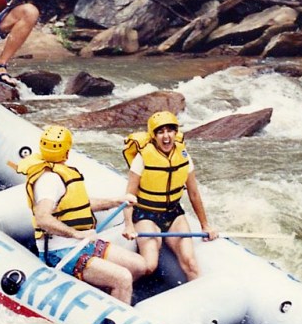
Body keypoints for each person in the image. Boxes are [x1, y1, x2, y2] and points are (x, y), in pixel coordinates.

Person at [17, 125, 146, 304]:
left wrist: (117, 201)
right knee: (123, 278)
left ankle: (103, 295)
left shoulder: (59, 173)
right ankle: (113, 308)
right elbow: (42, 218)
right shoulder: (49, 180)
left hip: (83, 243)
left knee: (139, 265)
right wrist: (76, 234)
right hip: (61, 252)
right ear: (67, 152)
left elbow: (81, 205)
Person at [121, 111, 219, 282]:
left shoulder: (183, 155)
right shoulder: (142, 157)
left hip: (173, 213)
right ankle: (122, 281)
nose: (166, 136)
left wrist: (205, 225)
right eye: (160, 132)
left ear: (175, 133)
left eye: (170, 131)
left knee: (191, 264)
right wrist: (129, 225)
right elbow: (129, 196)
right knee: (150, 265)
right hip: (146, 214)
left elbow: (194, 194)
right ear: (154, 136)